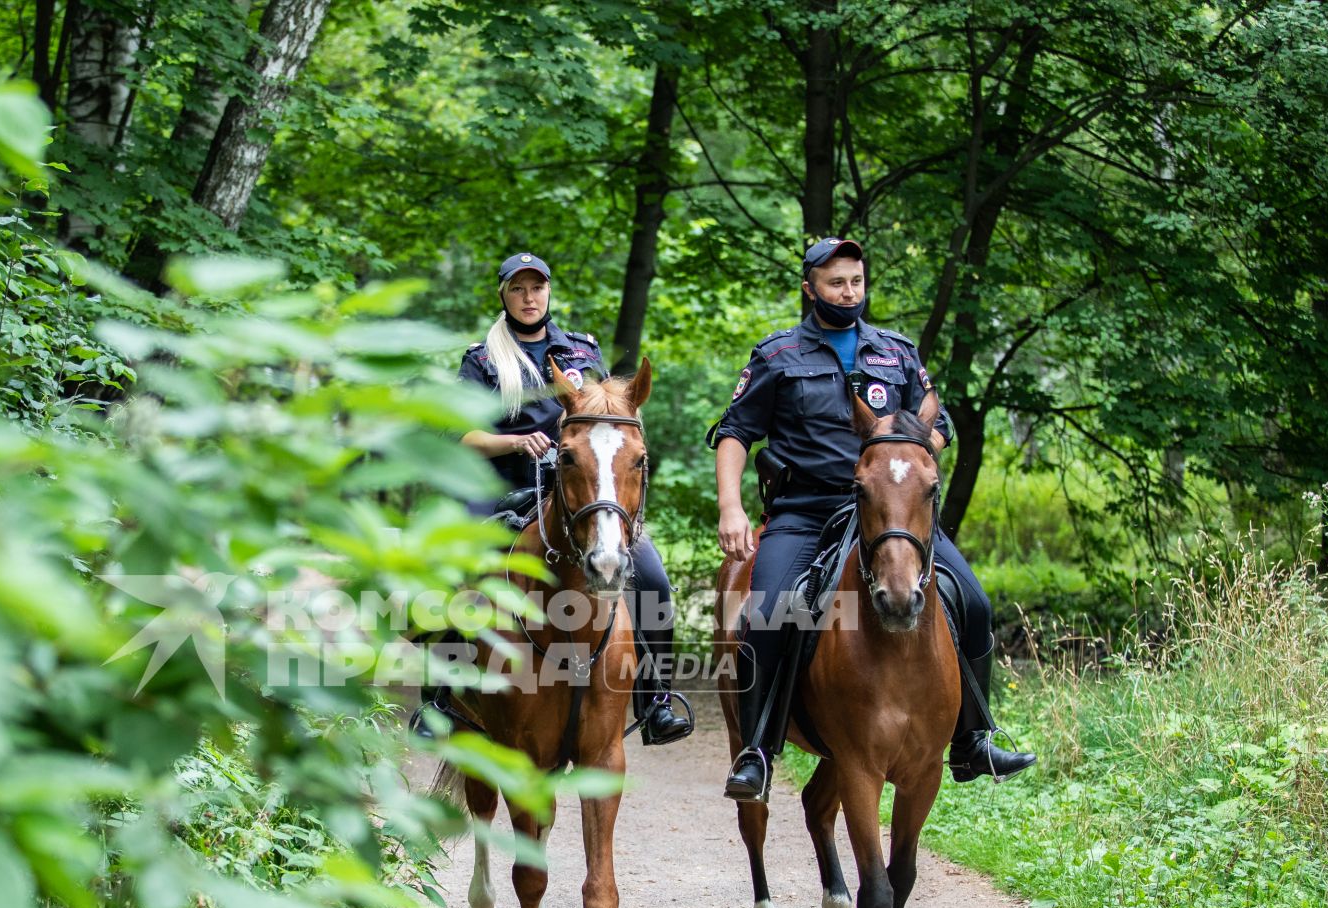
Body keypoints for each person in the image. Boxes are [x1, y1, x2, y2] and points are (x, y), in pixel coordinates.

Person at [710, 236, 1035, 801]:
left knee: (975, 602)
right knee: (765, 611)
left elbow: (941, 427)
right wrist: (731, 507)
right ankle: (758, 749)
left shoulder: (897, 352)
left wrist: (908, 445)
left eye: (856, 281)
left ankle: (973, 741)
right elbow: (736, 431)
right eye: (836, 282)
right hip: (805, 510)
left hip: (892, 510)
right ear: (810, 287)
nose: (848, 292)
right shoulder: (777, 355)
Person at [410, 251, 693, 746]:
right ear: (503, 294)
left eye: (536, 288)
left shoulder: (582, 351)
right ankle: (441, 700)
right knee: (459, 572)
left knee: (651, 577)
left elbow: (610, 419)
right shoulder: (481, 360)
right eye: (517, 289)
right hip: (498, 487)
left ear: (548, 292)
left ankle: (657, 698)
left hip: (575, 491)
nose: (528, 298)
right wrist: (515, 442)